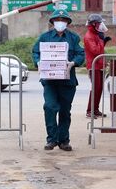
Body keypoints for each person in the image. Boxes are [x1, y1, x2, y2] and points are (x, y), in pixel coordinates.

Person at [32, 9, 85, 151]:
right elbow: (36, 52)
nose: (60, 22)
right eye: (57, 20)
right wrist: (38, 62)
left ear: (67, 22)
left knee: (65, 111)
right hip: (50, 81)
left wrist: (73, 63)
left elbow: (81, 54)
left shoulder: (73, 38)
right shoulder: (45, 37)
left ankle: (64, 141)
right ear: (53, 22)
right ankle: (51, 140)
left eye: (63, 20)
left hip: (67, 82)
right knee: (50, 107)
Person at [84, 14, 111, 118]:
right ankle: (89, 110)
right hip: (93, 65)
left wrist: (102, 41)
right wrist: (102, 41)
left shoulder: (95, 34)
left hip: (99, 65)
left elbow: (99, 50)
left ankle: (95, 109)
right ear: (94, 24)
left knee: (99, 88)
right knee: (95, 88)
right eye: (99, 23)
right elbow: (95, 51)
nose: (100, 25)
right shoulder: (89, 36)